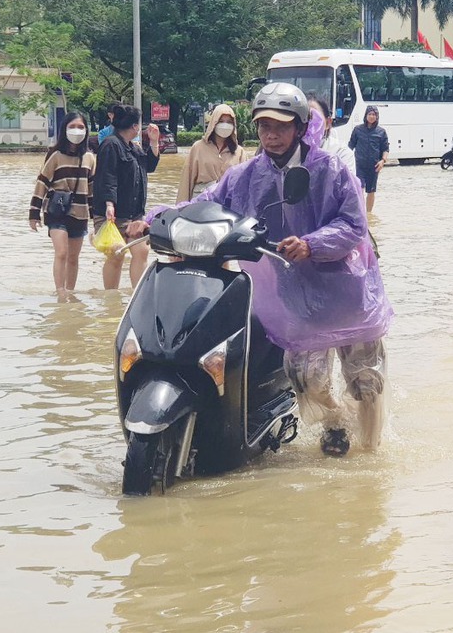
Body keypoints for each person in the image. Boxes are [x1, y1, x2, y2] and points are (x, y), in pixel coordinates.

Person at [128, 82, 393, 456]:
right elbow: (204, 204)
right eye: (265, 126)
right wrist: (154, 218)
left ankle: (370, 455)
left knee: (366, 382)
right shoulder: (245, 176)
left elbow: (353, 226)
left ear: (300, 128)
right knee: (307, 379)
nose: (272, 135)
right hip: (295, 297)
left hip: (347, 291)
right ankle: (335, 421)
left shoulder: (331, 169)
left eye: (282, 126)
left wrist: (312, 244)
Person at [91, 104, 160, 289]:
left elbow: (149, 166)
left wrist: (154, 142)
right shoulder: (110, 144)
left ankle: (137, 294)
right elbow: (107, 176)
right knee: (116, 254)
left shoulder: (134, 148)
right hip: (112, 213)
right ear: (134, 126)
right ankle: (110, 297)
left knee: (141, 251)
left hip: (134, 214)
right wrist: (109, 204)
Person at [29, 111, 96, 298]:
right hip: (57, 212)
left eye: (81, 127)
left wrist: (96, 218)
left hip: (80, 213)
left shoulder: (90, 158)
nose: (77, 130)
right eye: (72, 126)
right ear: (64, 129)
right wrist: (34, 214)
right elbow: (41, 183)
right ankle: (60, 291)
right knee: (62, 252)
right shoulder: (55, 155)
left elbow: (91, 190)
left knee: (73, 257)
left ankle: (70, 291)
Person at [176, 103, 247, 202]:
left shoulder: (239, 152)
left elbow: (244, 185)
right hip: (201, 205)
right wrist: (181, 209)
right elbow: (186, 181)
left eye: (229, 122)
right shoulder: (198, 148)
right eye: (221, 121)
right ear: (214, 123)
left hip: (228, 208)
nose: (225, 125)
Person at [348, 106, 389, 212]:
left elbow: (385, 149)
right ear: (365, 116)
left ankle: (369, 214)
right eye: (370, 114)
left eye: (374, 115)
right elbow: (350, 146)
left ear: (377, 117)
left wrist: (382, 161)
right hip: (359, 165)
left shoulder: (381, 132)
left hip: (374, 166)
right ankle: (360, 213)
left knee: (371, 191)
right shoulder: (357, 130)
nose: (371, 116)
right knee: (359, 189)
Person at [306, 96, 356, 172]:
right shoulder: (290, 151)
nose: (308, 123)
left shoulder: (342, 153)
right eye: (304, 117)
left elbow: (346, 182)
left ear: (328, 123)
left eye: (313, 117)